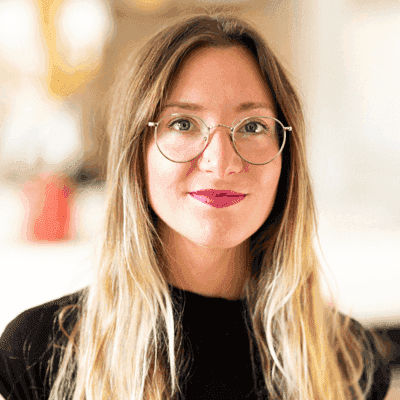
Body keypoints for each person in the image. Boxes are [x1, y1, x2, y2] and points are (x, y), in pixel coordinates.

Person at [0, 8, 392, 400]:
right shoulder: (39, 354)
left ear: (286, 160)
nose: (220, 162)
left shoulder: (349, 361)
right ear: (137, 154)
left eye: (253, 126)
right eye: (183, 124)